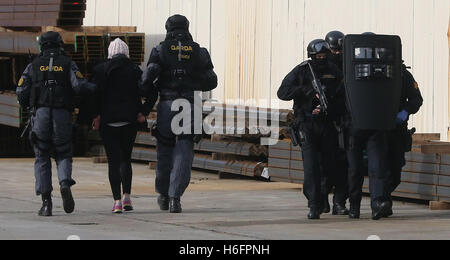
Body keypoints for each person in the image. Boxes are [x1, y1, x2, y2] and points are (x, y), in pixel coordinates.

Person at [141, 14, 218, 213]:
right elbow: (212, 81)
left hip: (167, 104)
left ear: (168, 28)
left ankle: (164, 194)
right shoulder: (200, 52)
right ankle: (176, 197)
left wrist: (143, 94)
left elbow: (149, 76)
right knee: (185, 149)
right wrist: (193, 78)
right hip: (190, 104)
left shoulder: (160, 49)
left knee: (164, 151)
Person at [16, 31, 96, 217]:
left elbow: (21, 91)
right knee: (64, 152)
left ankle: (46, 203)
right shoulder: (69, 64)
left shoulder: (33, 65)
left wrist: (31, 105)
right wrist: (97, 87)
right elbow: (79, 86)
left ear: (42, 46)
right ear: (59, 44)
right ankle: (65, 183)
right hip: (62, 115)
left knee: (42, 156)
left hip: (41, 115)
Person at [278, 39, 346, 219]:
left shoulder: (335, 72)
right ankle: (313, 204)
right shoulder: (302, 70)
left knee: (329, 166)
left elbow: (344, 98)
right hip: (307, 125)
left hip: (327, 124)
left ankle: (323, 196)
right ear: (312, 56)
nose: (322, 59)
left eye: (325, 55)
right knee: (311, 167)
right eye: (318, 56)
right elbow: (282, 92)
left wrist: (330, 108)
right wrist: (305, 91)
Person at [91, 38, 153, 214]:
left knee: (113, 161)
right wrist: (143, 111)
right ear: (126, 53)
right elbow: (150, 90)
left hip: (108, 121)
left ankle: (116, 201)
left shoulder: (100, 70)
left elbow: (93, 94)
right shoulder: (134, 70)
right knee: (126, 158)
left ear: (110, 53)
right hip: (129, 120)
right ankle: (127, 197)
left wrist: (96, 115)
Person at [385, 63, 423, 217]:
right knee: (379, 168)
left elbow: (416, 99)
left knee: (395, 169)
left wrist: (406, 111)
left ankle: (383, 198)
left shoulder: (403, 75)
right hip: (374, 129)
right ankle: (382, 202)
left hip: (397, 129)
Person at [322, 30, 349, 215]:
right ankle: (321, 201)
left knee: (345, 167)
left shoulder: (349, 65)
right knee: (323, 166)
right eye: (334, 50)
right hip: (324, 124)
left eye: (340, 50)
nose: (337, 54)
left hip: (344, 122)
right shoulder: (319, 67)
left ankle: (339, 202)